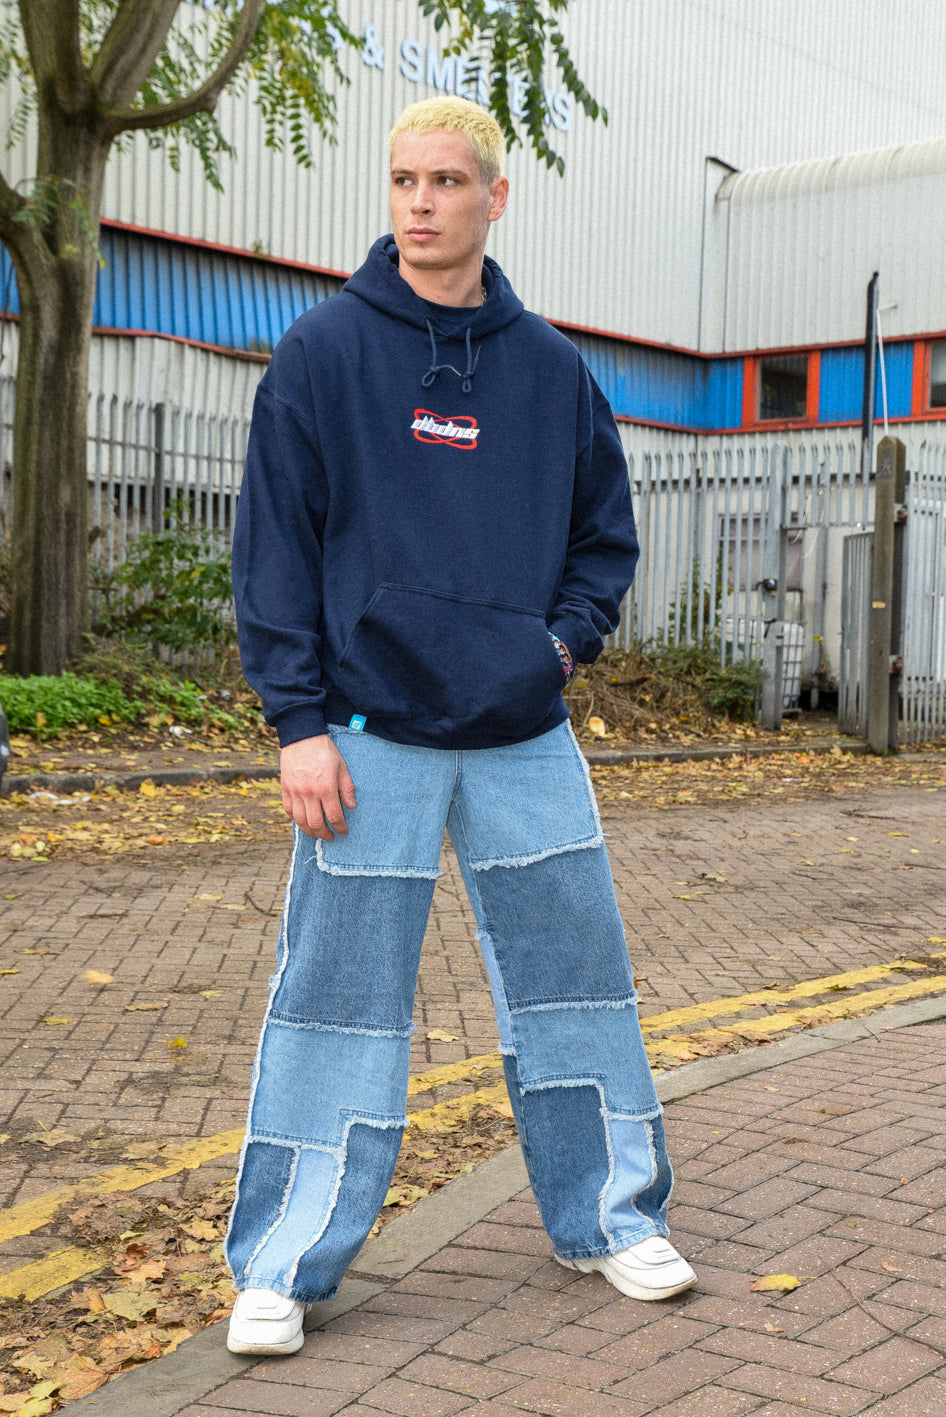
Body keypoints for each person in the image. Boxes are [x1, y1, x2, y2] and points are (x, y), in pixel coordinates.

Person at [224, 95, 695, 1357]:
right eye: (401, 180)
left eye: (445, 180)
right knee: (336, 1000)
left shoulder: (550, 371)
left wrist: (557, 647)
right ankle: (282, 1260)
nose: (420, 202)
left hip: (522, 736)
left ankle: (609, 1215)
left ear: (495, 196)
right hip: (366, 735)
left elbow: (604, 537)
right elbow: (273, 549)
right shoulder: (323, 352)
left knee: (576, 984)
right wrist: (295, 722)